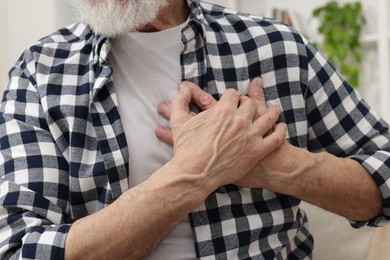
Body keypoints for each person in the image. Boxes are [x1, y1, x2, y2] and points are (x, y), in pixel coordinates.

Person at [0, 0, 389, 259]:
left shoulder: (278, 48)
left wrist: (279, 165)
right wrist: (198, 170)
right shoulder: (40, 71)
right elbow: (20, 249)